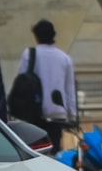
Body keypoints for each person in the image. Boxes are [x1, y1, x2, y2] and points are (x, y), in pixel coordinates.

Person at [17, 19, 76, 153]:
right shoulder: (64, 58)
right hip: (57, 113)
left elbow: (22, 83)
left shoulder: (29, 55)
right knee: (55, 151)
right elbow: (69, 90)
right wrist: (72, 116)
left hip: (35, 113)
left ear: (36, 36)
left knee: (35, 152)